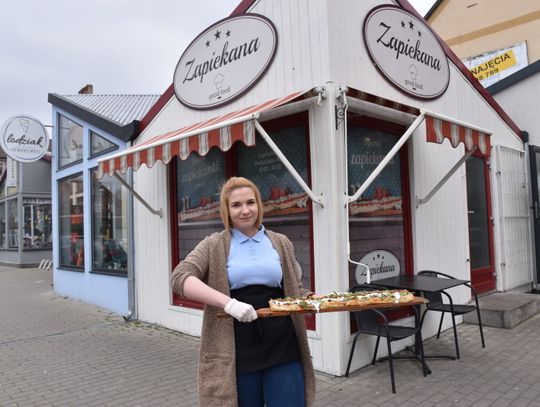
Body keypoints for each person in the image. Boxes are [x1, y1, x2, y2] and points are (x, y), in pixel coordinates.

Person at [171, 176, 315, 407]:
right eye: (236, 205)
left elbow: (292, 288)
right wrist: (229, 304)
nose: (245, 210)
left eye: (250, 202)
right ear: (226, 210)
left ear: (259, 205)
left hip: (282, 343)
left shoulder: (280, 242)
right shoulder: (214, 244)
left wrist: (310, 299)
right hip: (236, 348)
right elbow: (180, 278)